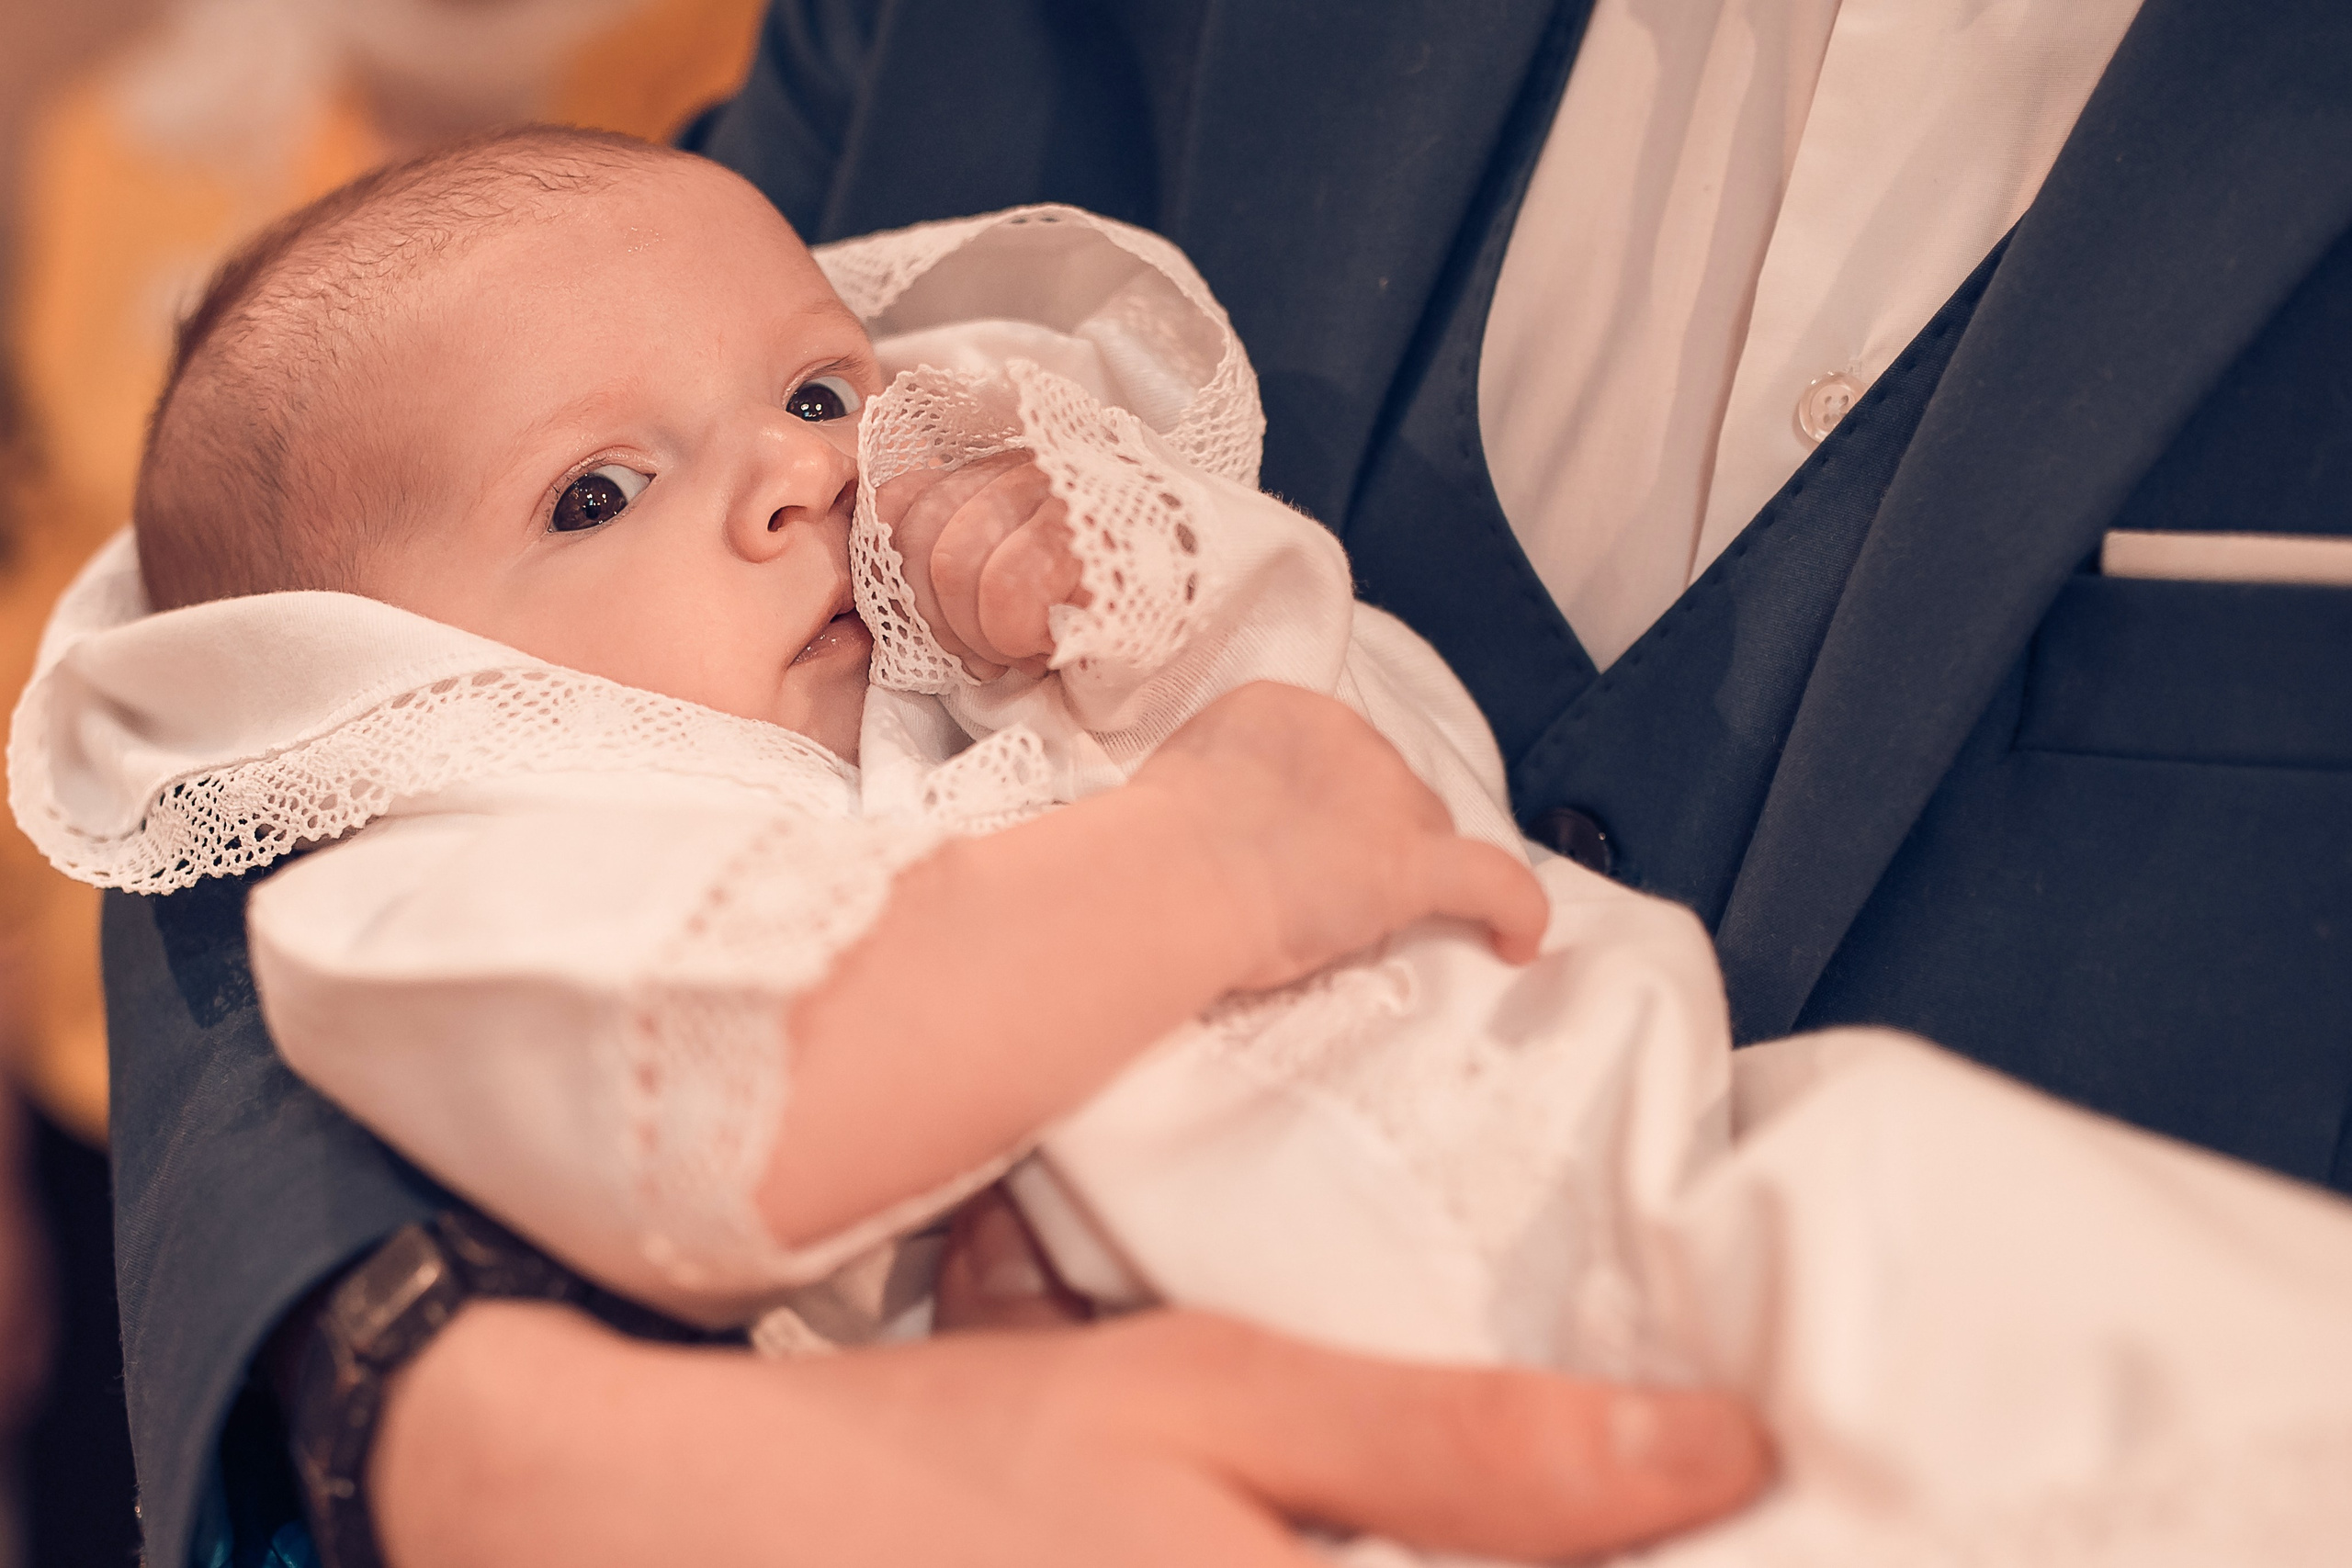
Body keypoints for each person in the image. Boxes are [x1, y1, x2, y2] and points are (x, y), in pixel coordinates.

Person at [80, 1, 2352, 1563]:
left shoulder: (915, 639)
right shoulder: (511, 863)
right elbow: (319, 588)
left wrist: (1081, 552)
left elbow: (1334, 694)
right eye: (605, 493)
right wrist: (473, 1438)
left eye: (812, 394)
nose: (799, 478)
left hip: (1680, 1183)